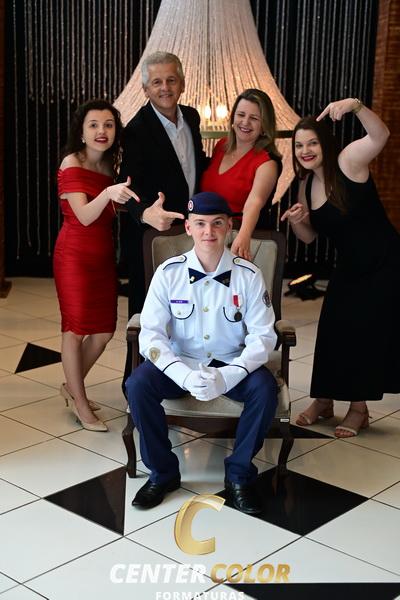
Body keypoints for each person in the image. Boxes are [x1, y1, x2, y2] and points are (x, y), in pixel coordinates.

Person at [126, 191, 278, 514]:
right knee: (137, 384)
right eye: (200, 224)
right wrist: (182, 375)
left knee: (265, 389)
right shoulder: (169, 273)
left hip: (230, 362)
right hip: (181, 361)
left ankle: (239, 475)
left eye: (217, 223)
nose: (209, 232)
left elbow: (264, 337)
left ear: (229, 227)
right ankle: (163, 473)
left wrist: (227, 377)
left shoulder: (249, 276)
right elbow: (151, 335)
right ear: (188, 228)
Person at [281, 97, 400, 438]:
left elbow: (381, 135)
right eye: (299, 145)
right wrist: (298, 222)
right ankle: (323, 401)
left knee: (362, 333)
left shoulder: (348, 161)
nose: (305, 151)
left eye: (312, 143)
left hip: (384, 262)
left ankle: (359, 409)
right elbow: (309, 237)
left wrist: (356, 107)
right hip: (349, 265)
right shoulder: (306, 185)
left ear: (324, 143)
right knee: (332, 330)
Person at [118, 51, 208, 389]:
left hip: (189, 232)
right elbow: (128, 186)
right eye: (157, 82)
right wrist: (145, 213)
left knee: (185, 312)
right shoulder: (136, 130)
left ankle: (181, 381)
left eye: (171, 80)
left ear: (182, 83)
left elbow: (193, 166)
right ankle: (134, 385)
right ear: (145, 89)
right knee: (148, 314)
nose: (165, 87)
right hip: (151, 237)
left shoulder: (192, 117)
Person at [53, 99, 139, 432]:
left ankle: (71, 387)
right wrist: (108, 194)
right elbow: (86, 216)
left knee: (103, 332)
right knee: (75, 330)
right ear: (82, 131)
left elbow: (112, 209)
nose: (101, 131)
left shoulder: (109, 166)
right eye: (94, 125)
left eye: (108, 125)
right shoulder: (71, 162)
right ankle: (79, 401)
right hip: (74, 255)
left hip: (102, 255)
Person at [200, 89, 282, 260]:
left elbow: (255, 202)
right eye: (241, 115)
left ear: (264, 125)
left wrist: (243, 236)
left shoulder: (267, 162)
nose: (245, 122)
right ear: (233, 118)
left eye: (254, 118)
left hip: (237, 238)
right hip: (208, 237)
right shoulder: (221, 146)